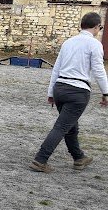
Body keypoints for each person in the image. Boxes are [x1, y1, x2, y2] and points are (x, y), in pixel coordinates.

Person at [30, 12, 108, 173]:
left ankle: (79, 158)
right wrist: (106, 92)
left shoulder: (68, 43)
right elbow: (99, 70)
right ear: (96, 27)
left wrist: (51, 92)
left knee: (70, 125)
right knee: (62, 126)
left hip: (60, 88)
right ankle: (40, 159)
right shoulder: (94, 44)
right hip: (78, 91)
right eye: (100, 27)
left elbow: (56, 69)